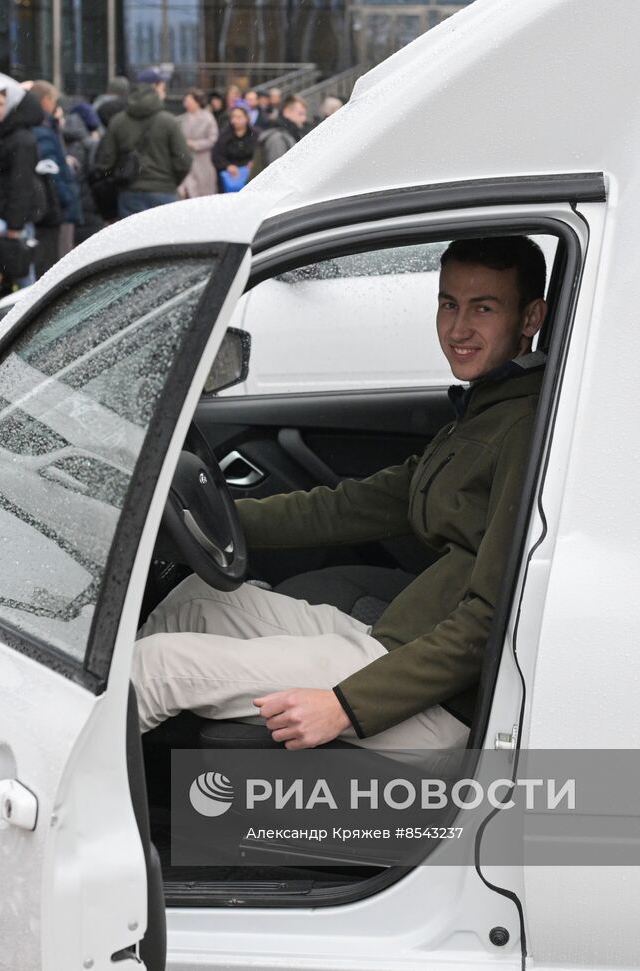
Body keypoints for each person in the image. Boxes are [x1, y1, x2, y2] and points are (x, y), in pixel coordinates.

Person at [134, 237, 548, 751]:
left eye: (483, 309)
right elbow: (345, 507)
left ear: (531, 318)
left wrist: (345, 705)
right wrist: (206, 518)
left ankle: (55, 800)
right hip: (395, 642)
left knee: (155, 670)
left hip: (426, 699)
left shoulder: (525, 429)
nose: (458, 328)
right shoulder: (484, 412)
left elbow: (493, 619)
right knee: (194, 601)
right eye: (448, 304)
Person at [93, 68, 191, 218]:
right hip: (164, 191)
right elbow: (184, 160)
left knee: (133, 240)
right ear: (155, 89)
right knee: (164, 239)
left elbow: (106, 160)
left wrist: (117, 181)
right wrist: (170, 181)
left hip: (130, 192)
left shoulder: (118, 121)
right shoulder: (168, 121)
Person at [0, 83, 42, 302]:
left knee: (23, 272)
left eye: (1, 104)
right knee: (16, 268)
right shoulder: (11, 136)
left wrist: (15, 224)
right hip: (9, 213)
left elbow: (21, 185)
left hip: (16, 217)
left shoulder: (20, 141)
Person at [28, 80, 80, 278]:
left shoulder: (44, 126)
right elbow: (52, 172)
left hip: (50, 206)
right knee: (54, 264)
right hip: (54, 207)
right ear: (45, 100)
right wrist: (67, 197)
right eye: (53, 100)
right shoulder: (43, 129)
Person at [59, 96, 104, 246]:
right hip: (90, 209)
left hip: (69, 208)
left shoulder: (62, 141)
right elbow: (95, 176)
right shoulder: (90, 145)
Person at [249, 94, 308, 180]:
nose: (304, 119)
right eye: (300, 114)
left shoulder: (290, 133)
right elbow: (279, 175)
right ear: (287, 112)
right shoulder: (277, 137)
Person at [176, 88, 218, 199]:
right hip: (185, 159)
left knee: (203, 194)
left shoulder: (208, 118)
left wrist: (194, 144)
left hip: (202, 160)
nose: (186, 104)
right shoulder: (181, 119)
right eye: (185, 101)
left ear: (197, 101)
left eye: (189, 101)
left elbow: (212, 139)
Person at [211, 103, 256, 191]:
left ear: (246, 118)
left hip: (251, 175)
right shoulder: (224, 136)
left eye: (239, 117)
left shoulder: (255, 135)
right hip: (230, 177)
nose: (235, 120)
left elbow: (260, 153)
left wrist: (254, 162)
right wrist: (227, 166)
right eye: (233, 117)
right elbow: (216, 155)